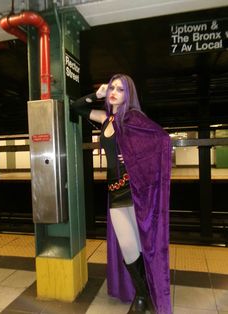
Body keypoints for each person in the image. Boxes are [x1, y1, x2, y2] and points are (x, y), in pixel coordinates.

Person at [71, 74, 172, 314]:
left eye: (120, 89)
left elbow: (162, 141)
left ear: (129, 95)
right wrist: (97, 94)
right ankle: (144, 293)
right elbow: (76, 107)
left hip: (136, 190)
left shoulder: (135, 119)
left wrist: (131, 156)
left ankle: (141, 299)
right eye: (112, 88)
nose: (114, 92)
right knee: (128, 246)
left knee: (140, 244)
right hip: (115, 191)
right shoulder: (106, 119)